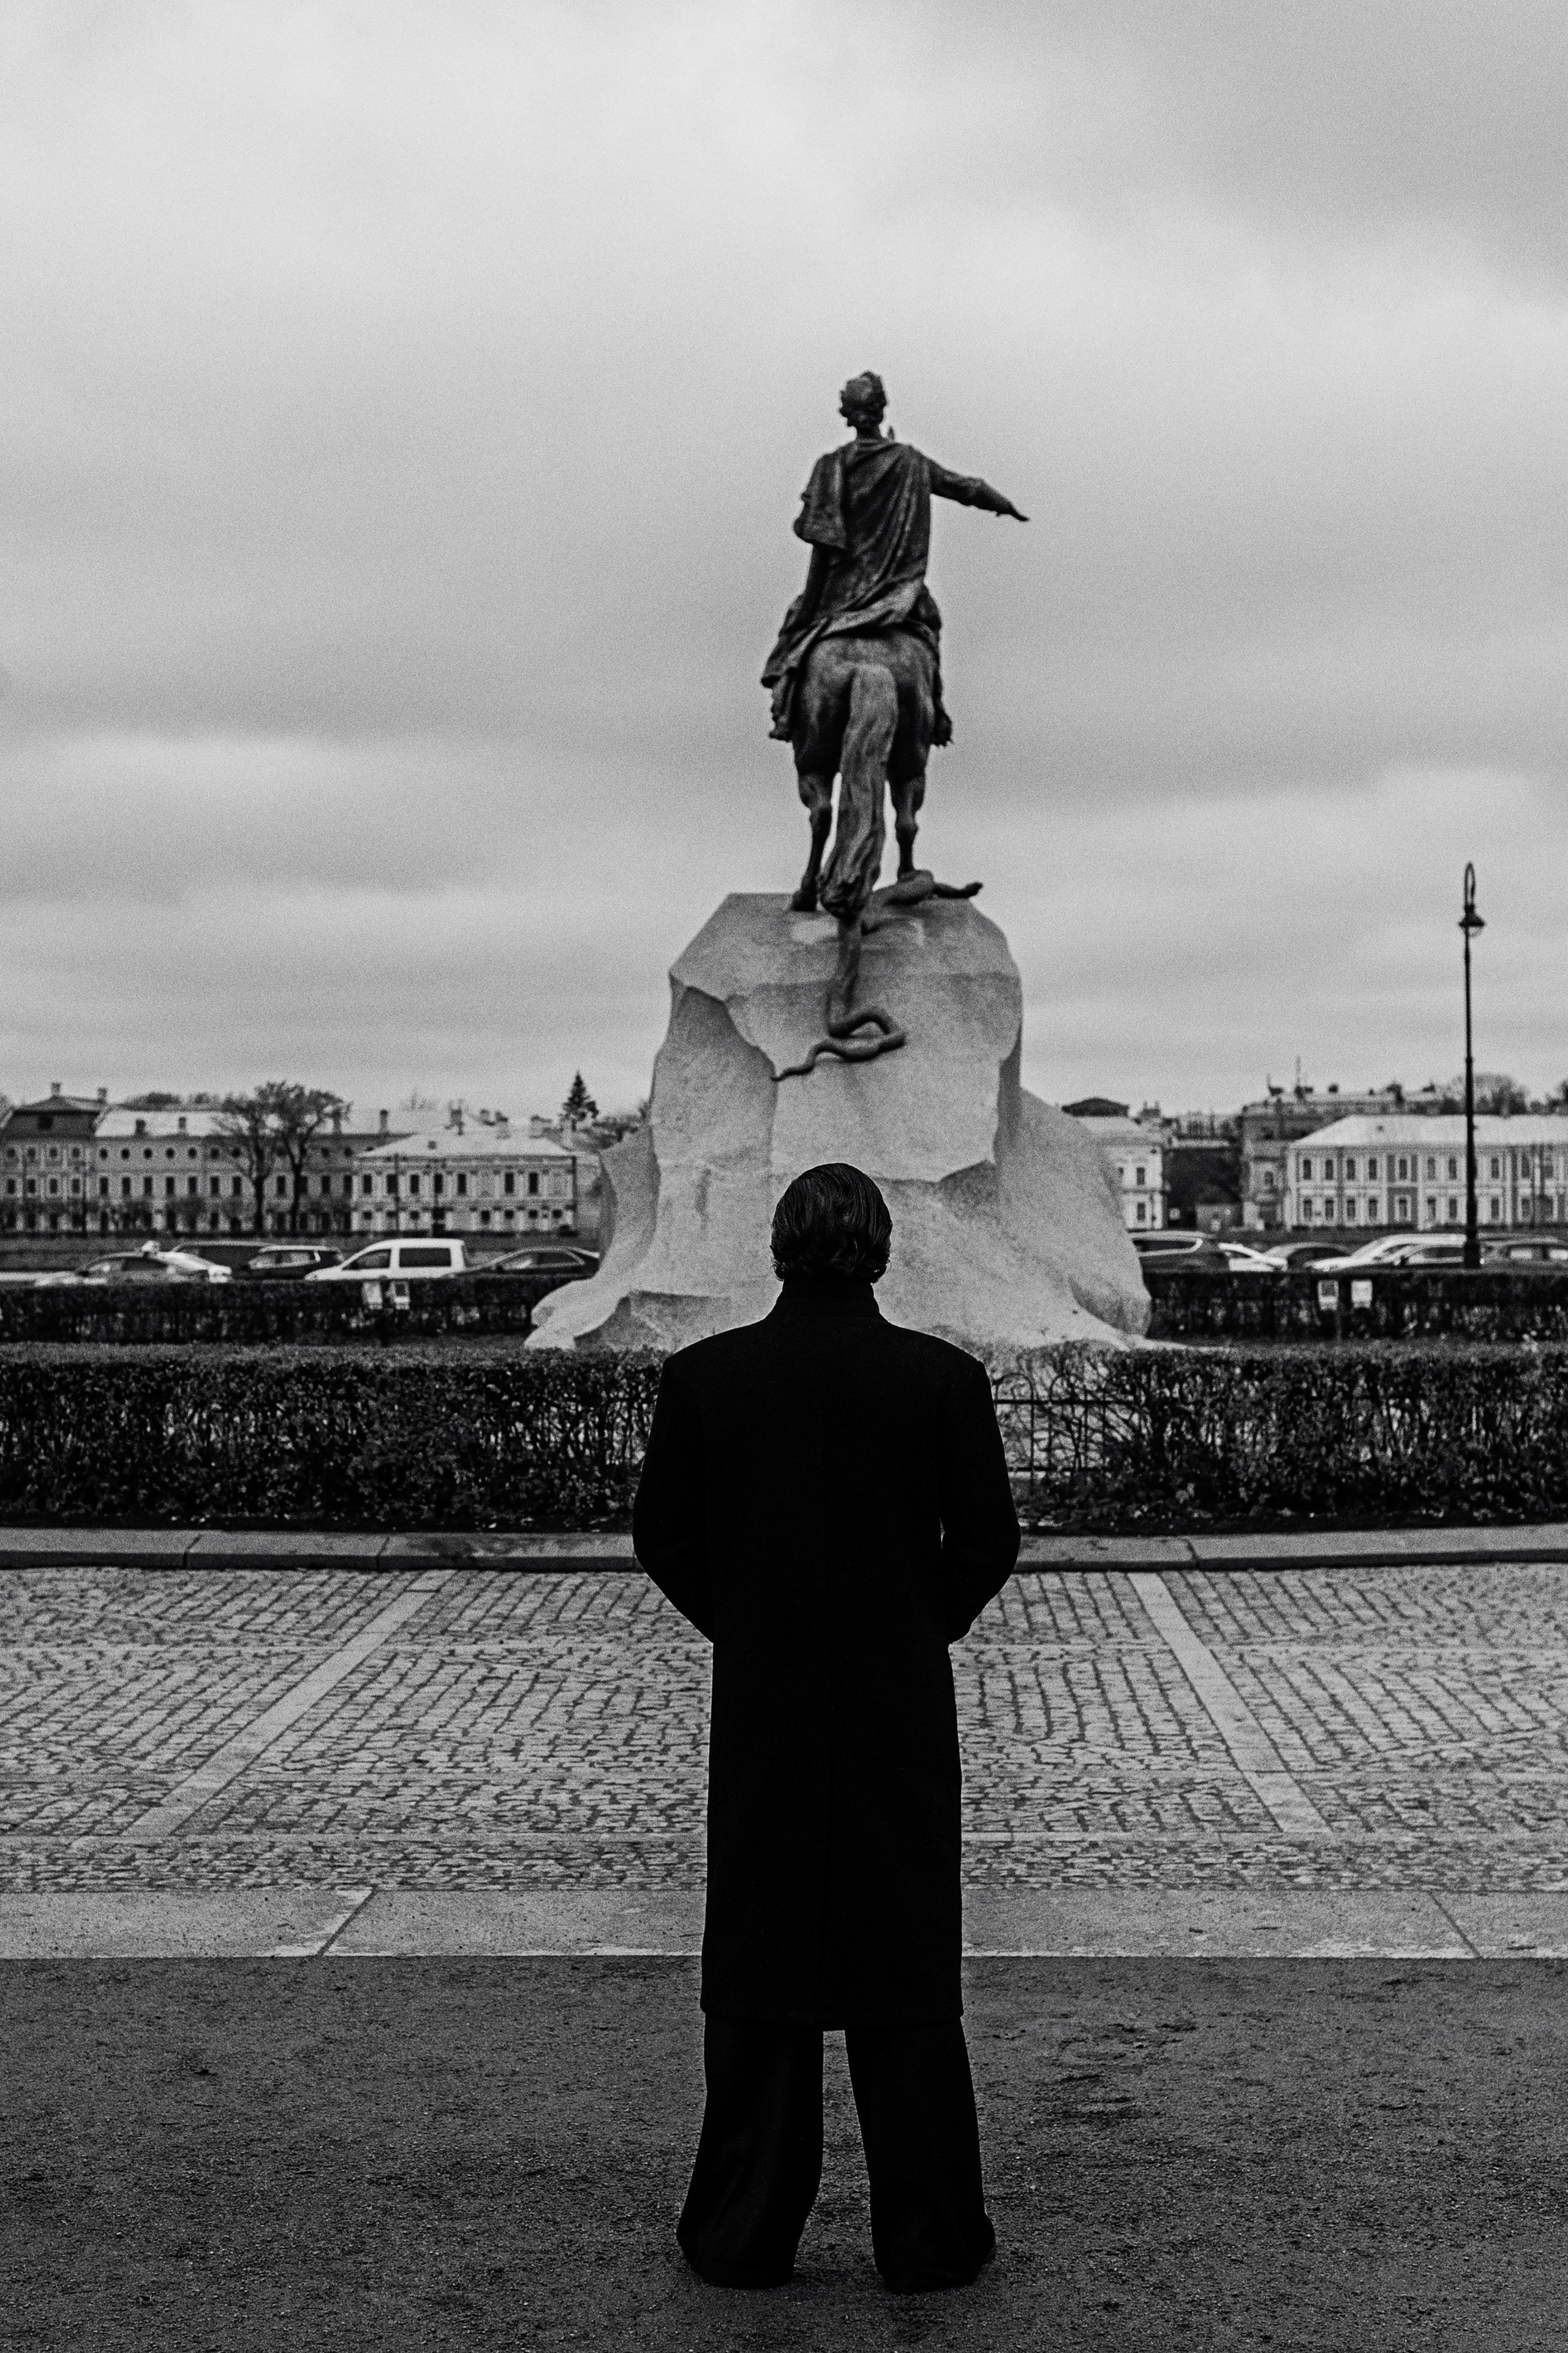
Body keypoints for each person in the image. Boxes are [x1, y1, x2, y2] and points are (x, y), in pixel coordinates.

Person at [631, 1161, 1021, 2294]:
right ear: (882, 1248)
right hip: (898, 1702)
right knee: (901, 1966)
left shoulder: (708, 1378)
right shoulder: (942, 1379)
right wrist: (914, 1624)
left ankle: (746, 2228)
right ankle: (930, 2232)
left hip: (768, 1700)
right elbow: (990, 1539)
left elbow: (664, 1535)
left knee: (763, 1960)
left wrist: (744, 1623)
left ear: (779, 1246)